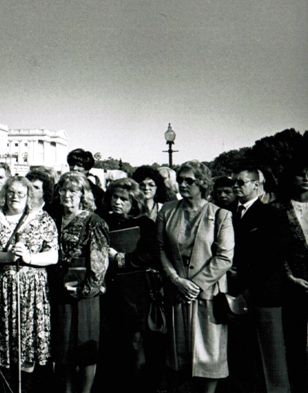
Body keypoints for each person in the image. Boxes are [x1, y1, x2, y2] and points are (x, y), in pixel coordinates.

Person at [0, 175, 58, 393]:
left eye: (21, 193)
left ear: (29, 196)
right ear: (4, 193)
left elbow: (54, 255)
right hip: (2, 289)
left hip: (32, 293)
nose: (15, 197)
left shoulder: (42, 218)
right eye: (11, 192)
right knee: (3, 347)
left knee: (27, 347)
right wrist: (5, 257)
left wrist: (30, 257)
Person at [157, 161, 233, 393]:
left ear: (202, 183)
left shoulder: (220, 214)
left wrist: (196, 284)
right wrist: (175, 280)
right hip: (177, 294)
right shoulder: (167, 210)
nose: (183, 184)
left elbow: (224, 257)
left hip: (208, 295)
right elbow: (160, 248)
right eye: (180, 180)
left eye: (189, 180)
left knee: (209, 357)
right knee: (179, 357)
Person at [225, 167, 289, 393]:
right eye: (234, 183)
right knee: (243, 356)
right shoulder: (227, 214)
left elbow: (274, 256)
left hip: (263, 295)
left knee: (271, 356)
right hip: (235, 294)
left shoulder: (273, 215)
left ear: (256, 185)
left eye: (241, 182)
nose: (235, 186)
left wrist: (242, 275)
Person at [49, 171, 109, 393]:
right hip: (58, 293)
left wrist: (85, 290)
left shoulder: (94, 222)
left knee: (85, 351)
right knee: (62, 351)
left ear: (83, 194)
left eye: (73, 191)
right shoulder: (52, 218)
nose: (67, 195)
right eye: (63, 190)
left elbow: (99, 264)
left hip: (84, 295)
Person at [99, 178, 161, 393]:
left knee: (135, 344)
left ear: (133, 202)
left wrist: (120, 258)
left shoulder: (145, 224)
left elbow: (151, 256)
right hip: (107, 292)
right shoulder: (101, 221)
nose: (117, 202)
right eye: (114, 197)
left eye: (123, 199)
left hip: (134, 294)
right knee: (110, 345)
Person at [273, 158, 308, 392]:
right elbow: (274, 251)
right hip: (294, 285)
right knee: (295, 344)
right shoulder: (277, 209)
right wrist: (290, 277)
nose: (306, 178)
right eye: (300, 174)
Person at [66, 149, 105, 215]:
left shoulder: (96, 192)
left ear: (87, 169)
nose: (74, 168)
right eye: (72, 164)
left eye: (79, 165)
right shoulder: (59, 187)